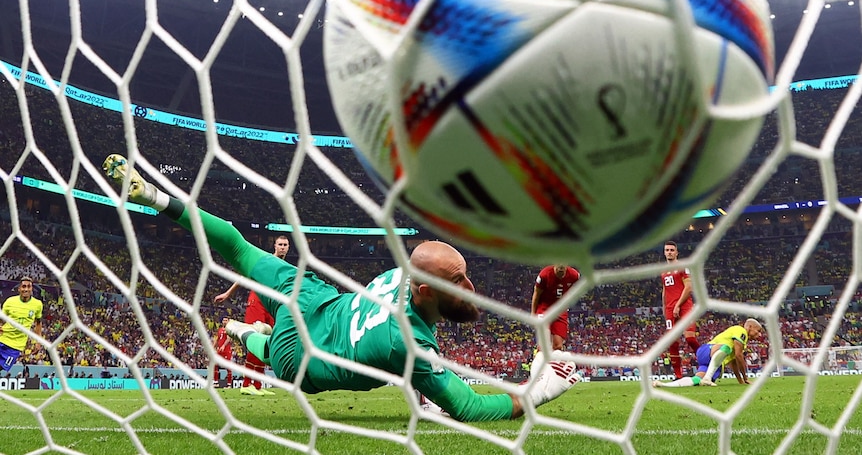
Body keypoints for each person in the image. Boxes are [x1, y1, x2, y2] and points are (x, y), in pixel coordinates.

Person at [103, 154, 581, 422]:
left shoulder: (404, 277)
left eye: (465, 274)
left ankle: (154, 195)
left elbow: (233, 247)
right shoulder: (410, 345)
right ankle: (244, 333)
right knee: (268, 349)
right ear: (425, 292)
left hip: (316, 299)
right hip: (303, 352)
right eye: (459, 281)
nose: (472, 288)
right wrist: (542, 391)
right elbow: (470, 408)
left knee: (242, 250)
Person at [213, 236, 286, 396]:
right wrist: (228, 293)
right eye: (280, 244)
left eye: (285, 245)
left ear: (288, 247)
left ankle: (258, 385)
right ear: (275, 246)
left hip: (271, 304)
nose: (282, 247)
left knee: (267, 342)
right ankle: (247, 384)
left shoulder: (285, 267)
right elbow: (244, 275)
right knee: (255, 340)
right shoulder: (266, 260)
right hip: (257, 301)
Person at [653, 318, 763, 388]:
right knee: (726, 348)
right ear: (749, 327)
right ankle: (708, 378)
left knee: (696, 380)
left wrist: (741, 381)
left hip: (712, 363)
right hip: (707, 350)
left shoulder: (741, 342)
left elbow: (734, 362)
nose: (759, 335)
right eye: (758, 331)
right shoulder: (741, 331)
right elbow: (739, 356)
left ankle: (664, 385)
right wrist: (746, 378)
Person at [660, 240, 699, 380]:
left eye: (672, 250)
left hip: (685, 307)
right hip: (670, 309)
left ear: (676, 252)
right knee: (673, 342)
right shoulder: (663, 271)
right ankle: (678, 375)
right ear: (664, 252)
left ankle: (705, 364)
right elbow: (665, 291)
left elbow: (689, 287)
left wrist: (677, 305)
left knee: (690, 338)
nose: (669, 252)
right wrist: (665, 309)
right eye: (667, 250)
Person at [531, 265, 580, 353]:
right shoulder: (545, 274)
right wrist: (533, 313)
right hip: (544, 308)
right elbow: (536, 294)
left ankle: (554, 365)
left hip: (560, 309)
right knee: (544, 344)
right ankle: (540, 364)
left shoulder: (574, 275)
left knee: (558, 346)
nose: (561, 268)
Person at [0, 277, 43, 374]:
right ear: (19, 288)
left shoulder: (37, 305)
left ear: (32, 289)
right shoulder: (10, 302)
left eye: (29, 287)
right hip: (2, 339)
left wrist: (38, 341)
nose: (26, 289)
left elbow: (38, 323)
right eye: (24, 286)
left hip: (15, 347)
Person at [212, 317, 233, 389]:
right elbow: (217, 338)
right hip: (219, 350)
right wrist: (213, 346)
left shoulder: (229, 329)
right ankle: (216, 382)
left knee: (228, 367)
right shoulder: (220, 329)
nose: (224, 321)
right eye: (223, 320)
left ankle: (229, 384)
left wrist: (223, 345)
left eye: (226, 320)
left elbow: (228, 338)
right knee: (215, 365)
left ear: (228, 321)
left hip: (226, 350)